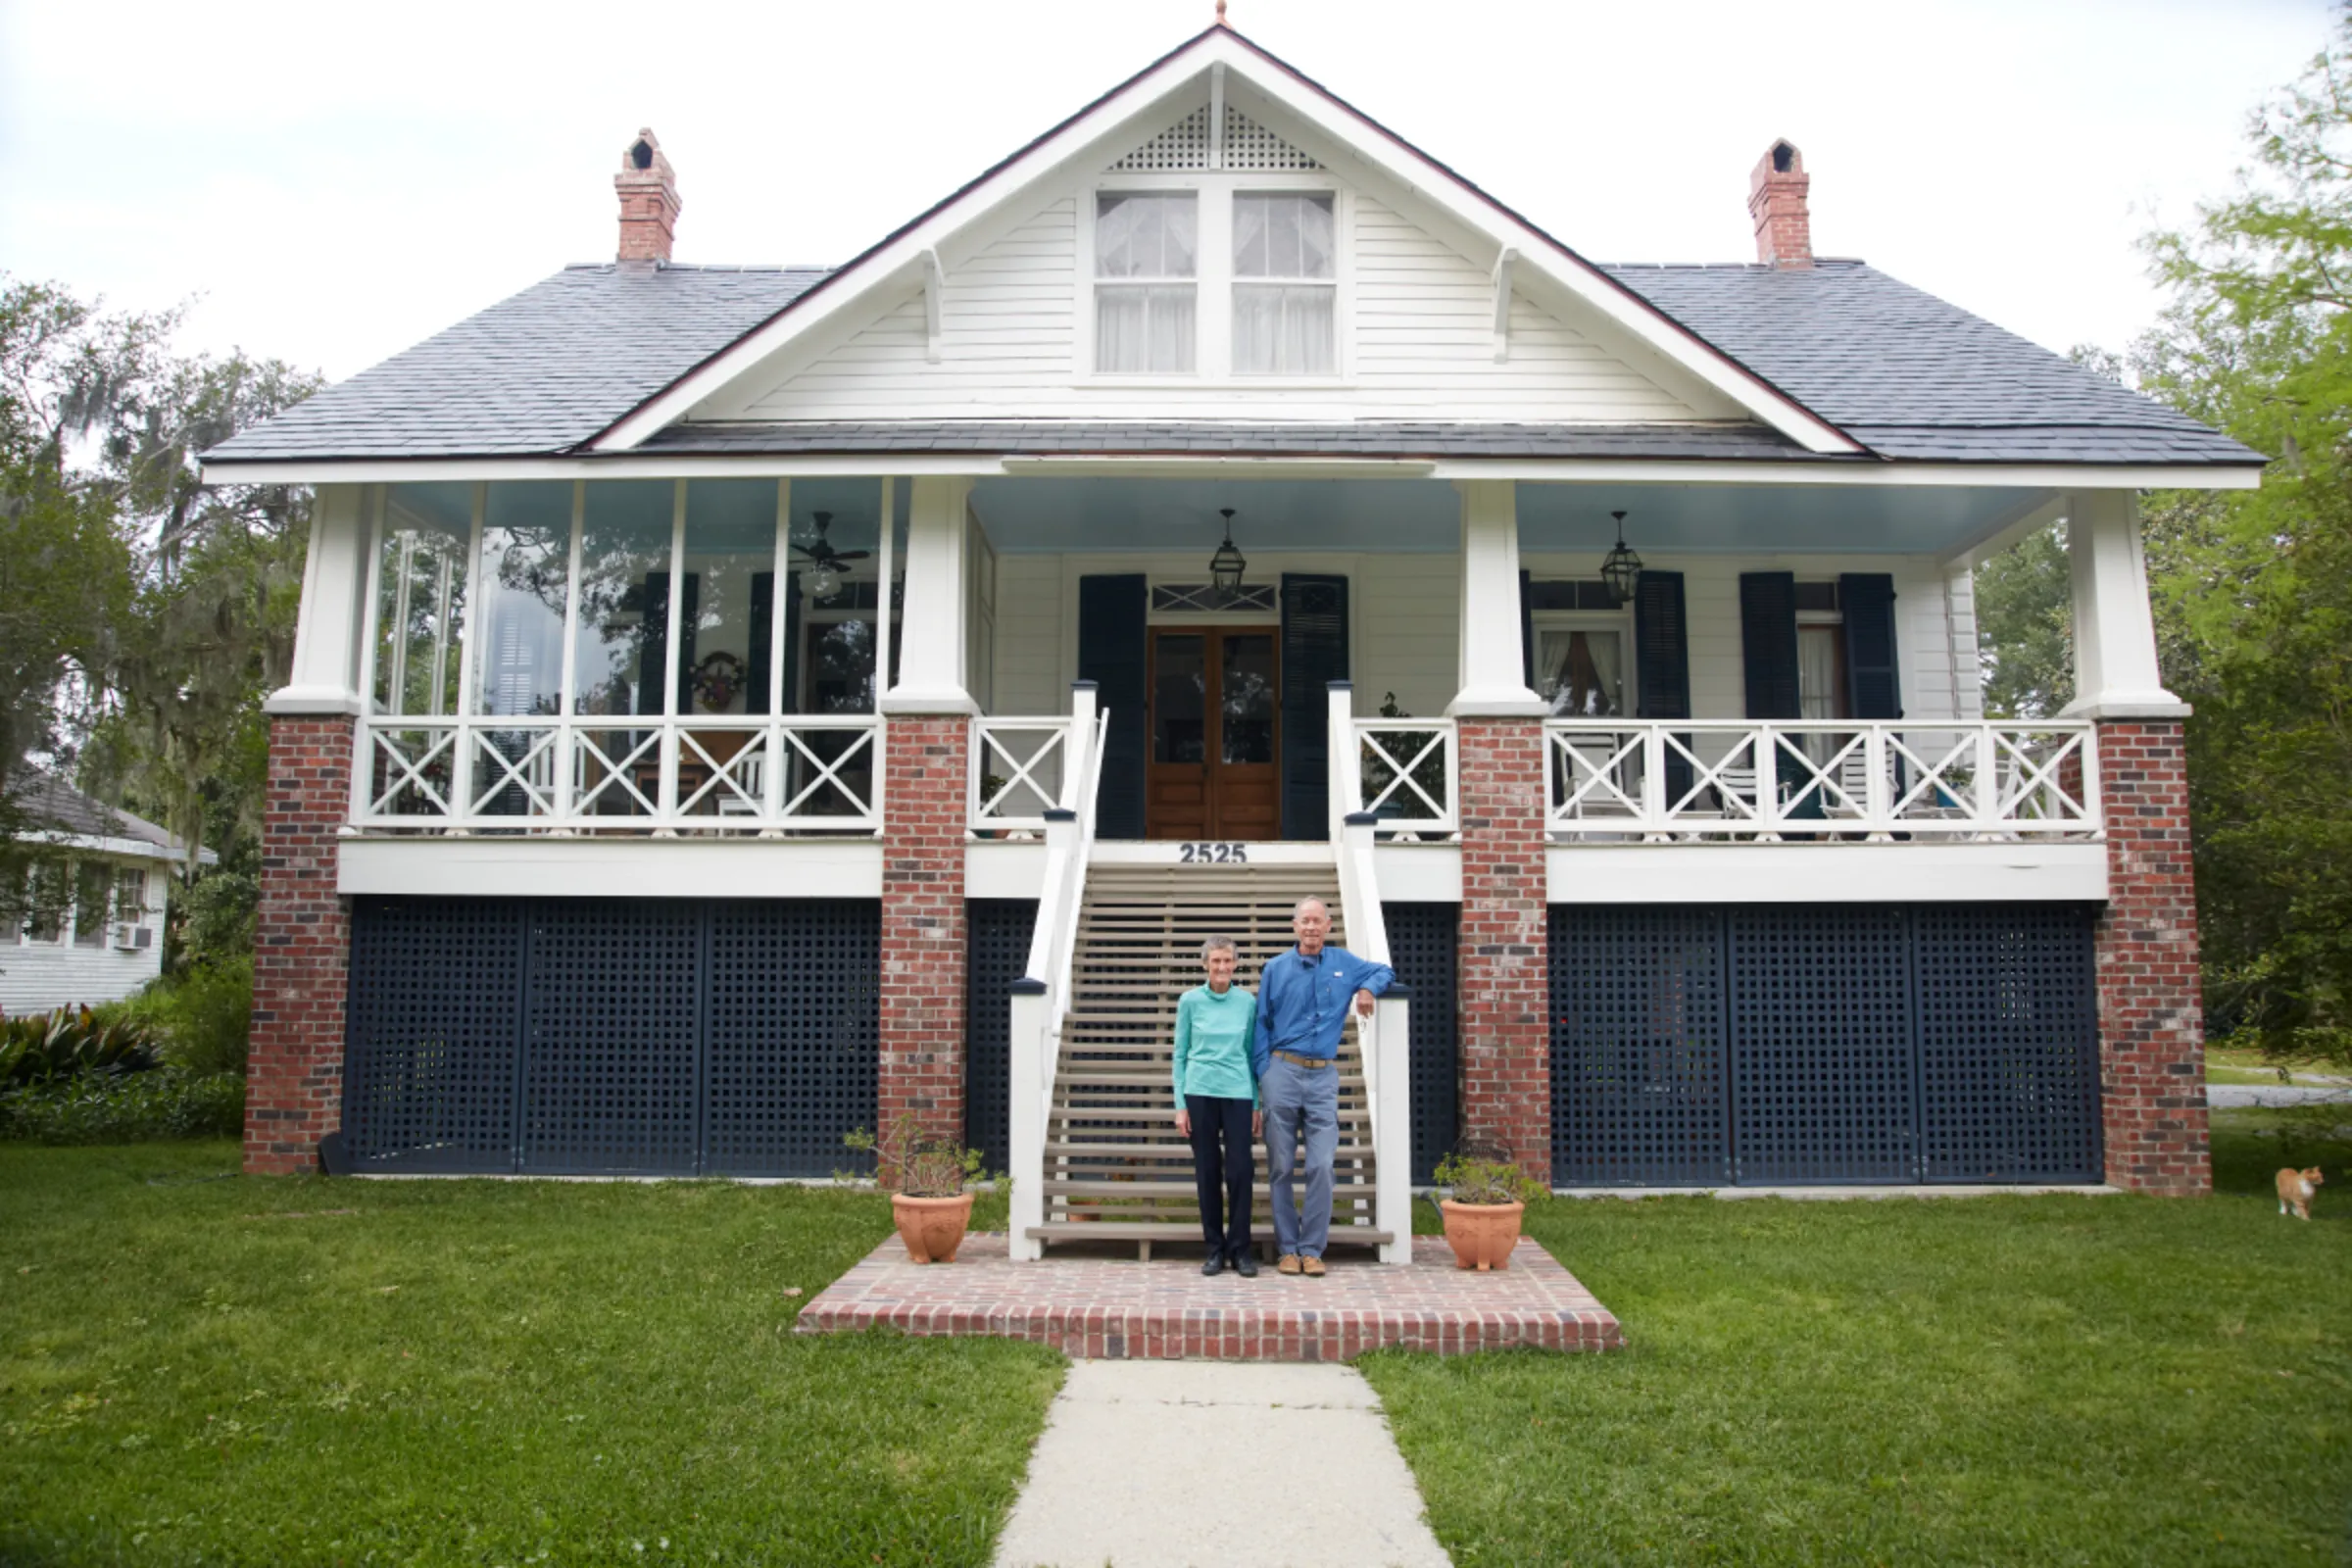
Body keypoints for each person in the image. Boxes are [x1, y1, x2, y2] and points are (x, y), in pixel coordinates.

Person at [1250, 898, 1393, 1277]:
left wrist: (1367, 990)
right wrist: (1265, 1073)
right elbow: (1261, 1023)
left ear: (1328, 925)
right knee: (1280, 1166)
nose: (1311, 927)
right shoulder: (1275, 969)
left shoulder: (1344, 963)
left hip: (1322, 1077)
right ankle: (1287, 1249)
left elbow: (1383, 970)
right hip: (1282, 1071)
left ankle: (1312, 1248)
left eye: (1318, 921)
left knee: (1322, 1165)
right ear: (1294, 926)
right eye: (1305, 921)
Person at [1173, 936, 1262, 1277]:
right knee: (1208, 1172)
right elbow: (1180, 1054)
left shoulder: (1246, 1003)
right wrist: (1181, 1104)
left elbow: (1252, 1053)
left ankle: (1240, 1249)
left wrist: (1256, 1103)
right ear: (1205, 965)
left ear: (1235, 964)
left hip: (1238, 1093)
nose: (1222, 967)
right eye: (1216, 961)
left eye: (1227, 961)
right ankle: (1214, 1248)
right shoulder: (1190, 1001)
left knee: (1240, 1171)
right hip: (1200, 1093)